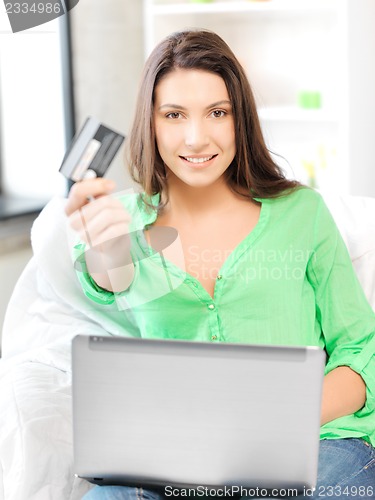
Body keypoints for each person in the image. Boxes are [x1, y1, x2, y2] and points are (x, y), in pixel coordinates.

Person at [65, 29, 375, 499]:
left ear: (240, 119)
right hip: (179, 461)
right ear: (150, 123)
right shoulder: (120, 224)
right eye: (174, 115)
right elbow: (109, 281)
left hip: (316, 449)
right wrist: (103, 245)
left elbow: (361, 350)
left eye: (217, 112)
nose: (196, 137)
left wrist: (281, 418)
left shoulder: (302, 214)